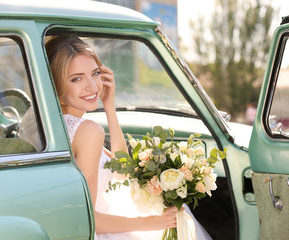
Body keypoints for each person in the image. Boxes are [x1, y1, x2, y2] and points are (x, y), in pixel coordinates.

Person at [45, 35, 211, 239]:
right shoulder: (88, 131)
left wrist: (109, 105)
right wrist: (153, 223)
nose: (92, 86)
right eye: (76, 78)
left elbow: (121, 170)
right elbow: (86, 217)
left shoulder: (46, 121)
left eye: (95, 73)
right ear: (55, 82)